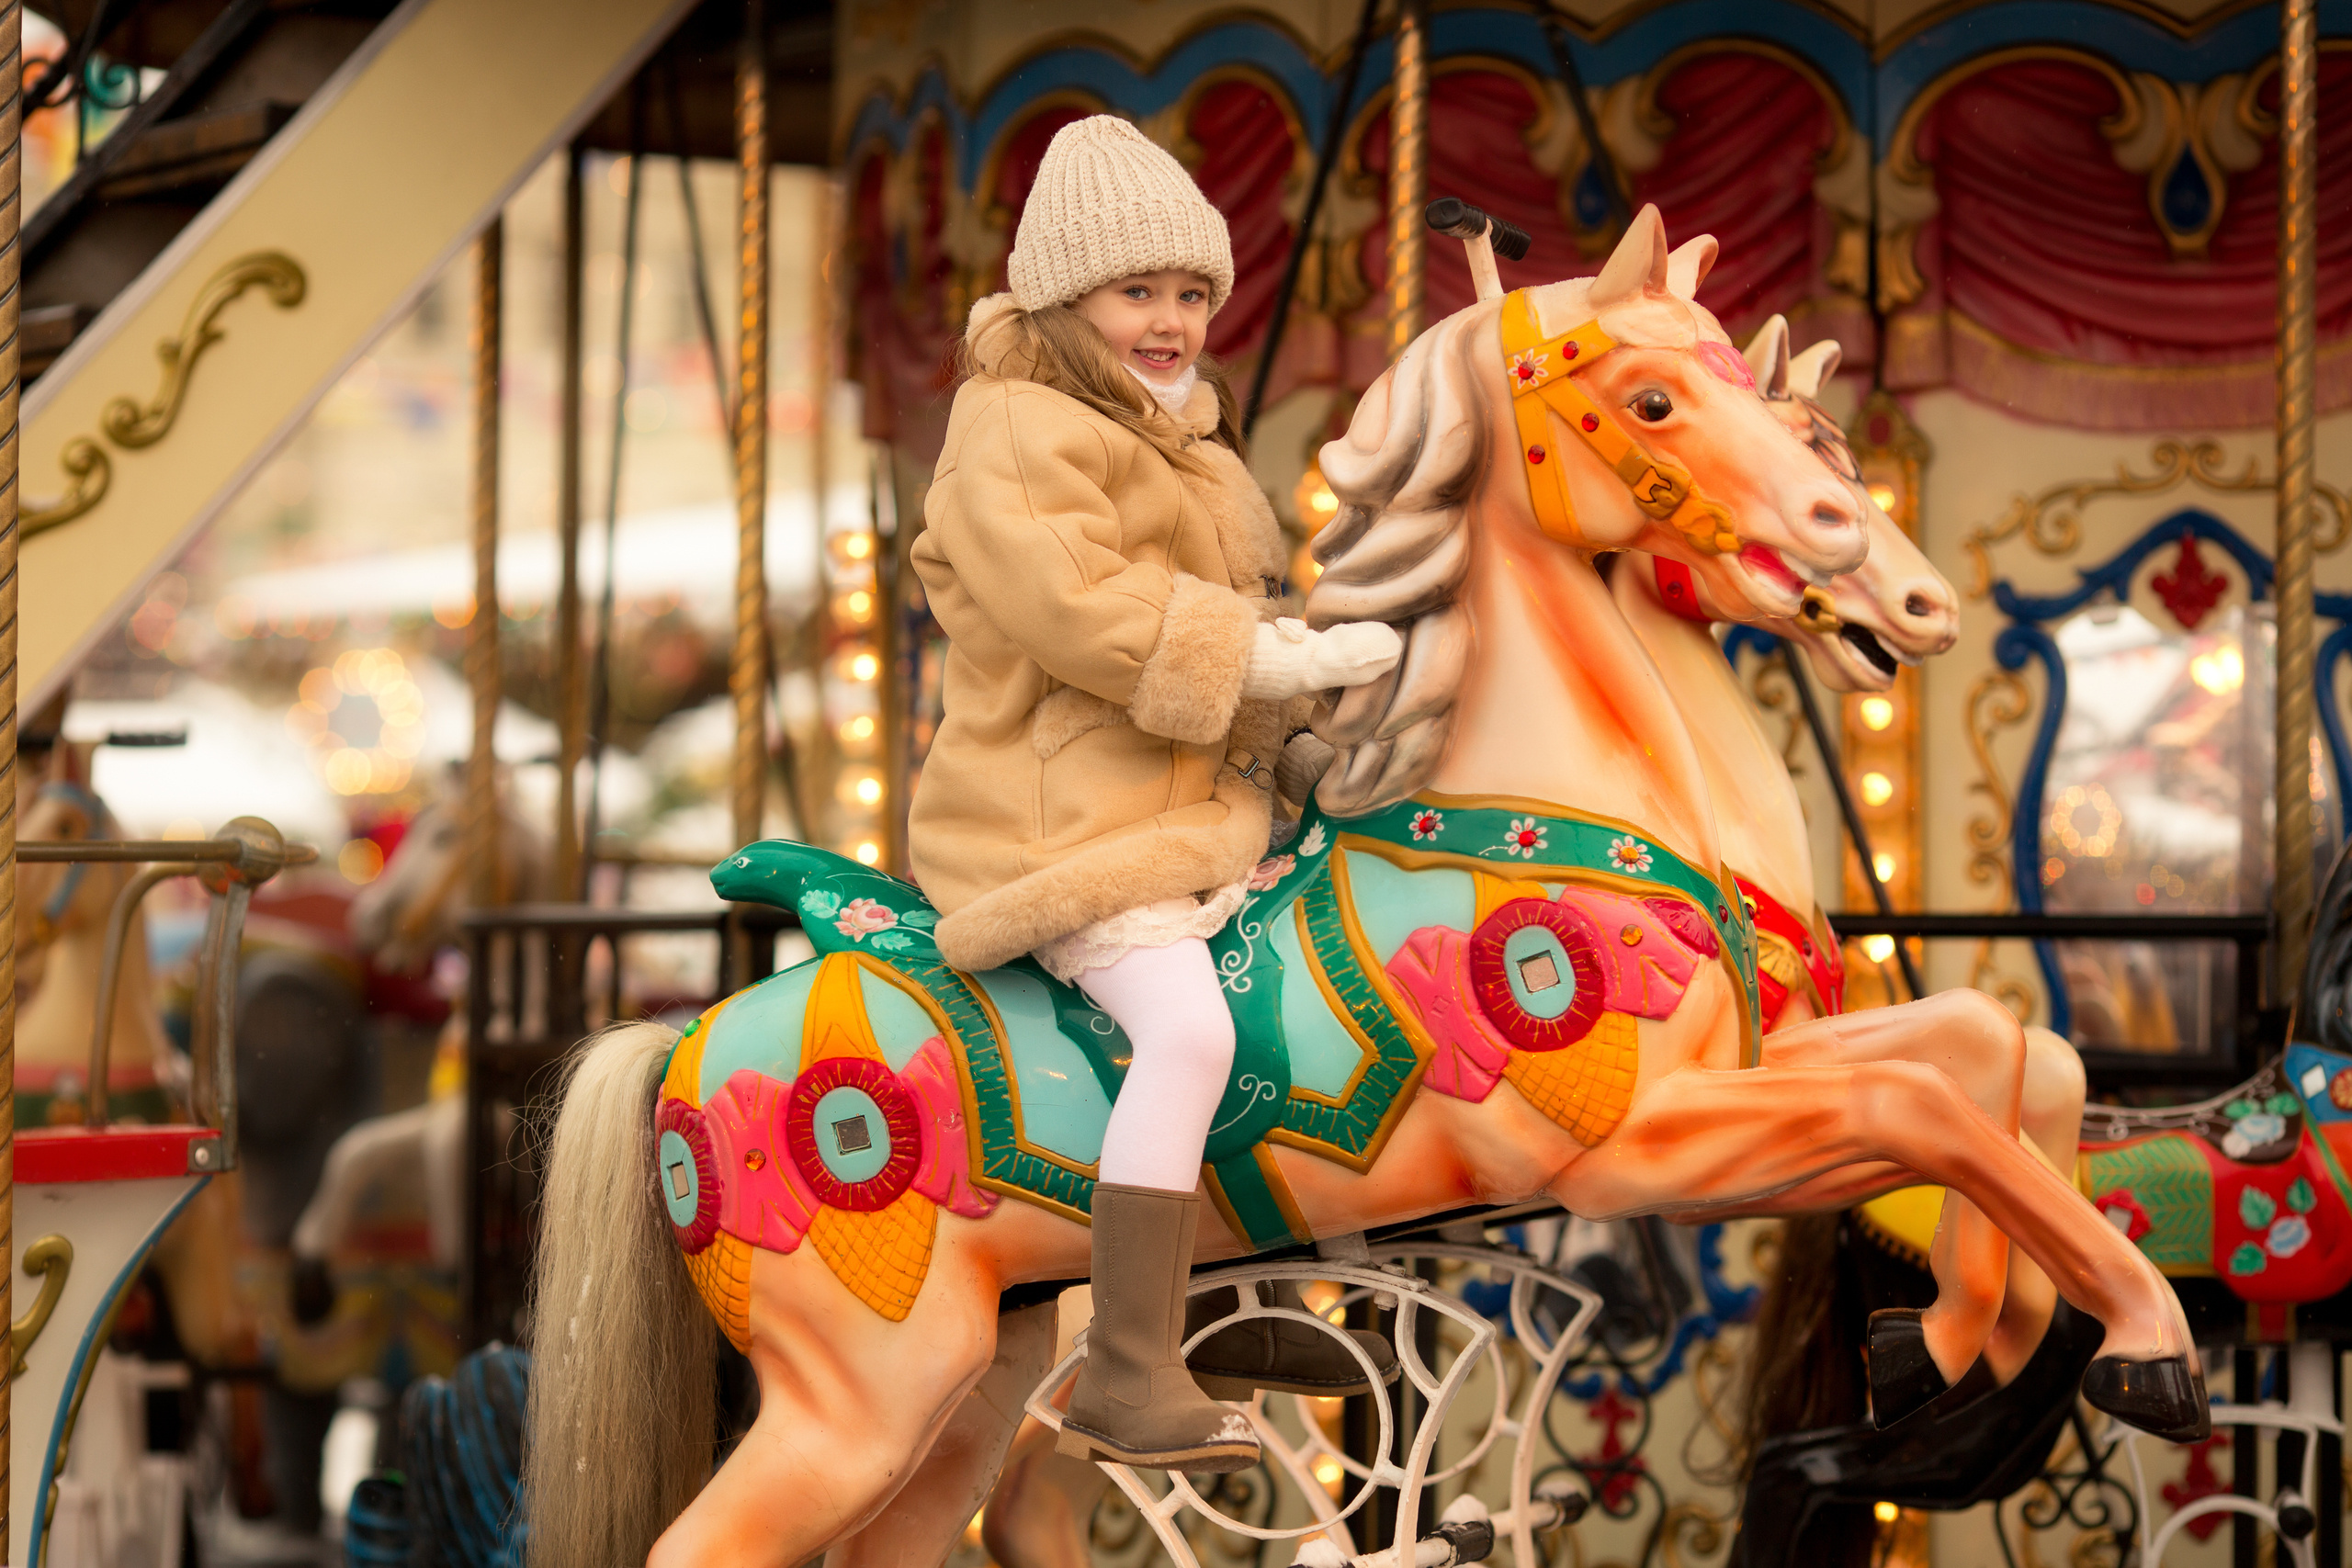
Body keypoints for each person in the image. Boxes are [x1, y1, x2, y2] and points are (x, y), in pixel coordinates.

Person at [908, 116, 1403, 1472]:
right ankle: (1126, 1371)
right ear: (1068, 298)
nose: (1174, 320)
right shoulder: (1011, 425)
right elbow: (1078, 607)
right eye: (1141, 292)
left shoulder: (1185, 438)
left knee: (1317, 988)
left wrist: (1309, 747)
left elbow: (1228, 660)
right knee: (1187, 1034)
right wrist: (1261, 650)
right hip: (1060, 820)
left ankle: (1234, 1298)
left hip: (1185, 810)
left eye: (1193, 294)